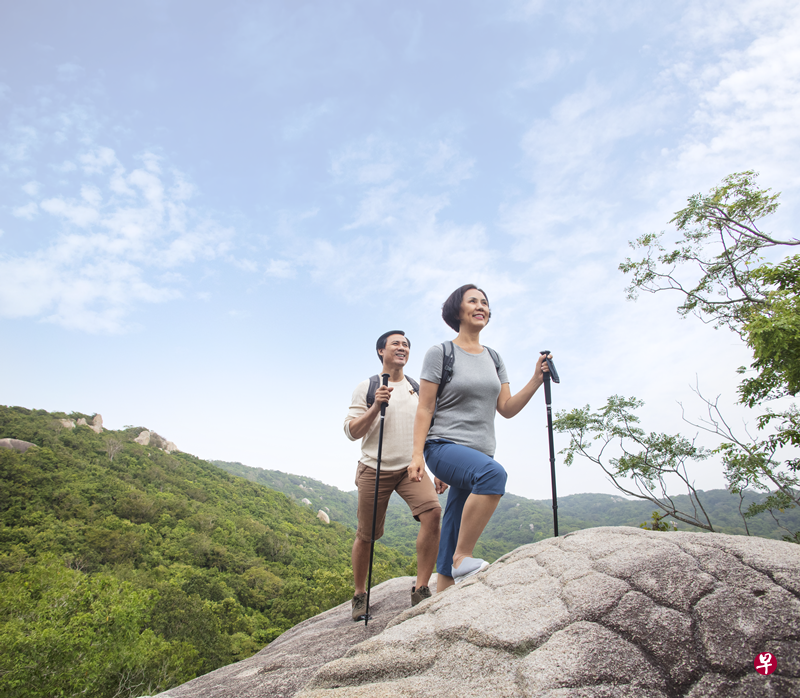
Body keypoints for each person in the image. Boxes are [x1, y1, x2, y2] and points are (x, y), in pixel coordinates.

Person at [408, 285, 550, 592]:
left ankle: (443, 594)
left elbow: (506, 408)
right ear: (456, 310)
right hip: (443, 446)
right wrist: (417, 454)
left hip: (480, 454)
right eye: (472, 301)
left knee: (453, 526)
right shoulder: (440, 353)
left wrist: (536, 380)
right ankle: (463, 558)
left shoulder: (494, 358)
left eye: (484, 302)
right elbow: (425, 407)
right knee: (493, 476)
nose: (481, 306)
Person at [344, 330, 445, 621]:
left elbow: (430, 429)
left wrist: (436, 467)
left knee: (433, 513)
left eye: (406, 345)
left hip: (410, 468)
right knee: (367, 535)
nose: (402, 348)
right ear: (381, 351)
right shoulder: (368, 386)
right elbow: (351, 432)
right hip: (373, 469)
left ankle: (421, 588)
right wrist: (376, 405)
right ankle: (359, 594)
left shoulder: (417, 388)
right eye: (395, 344)